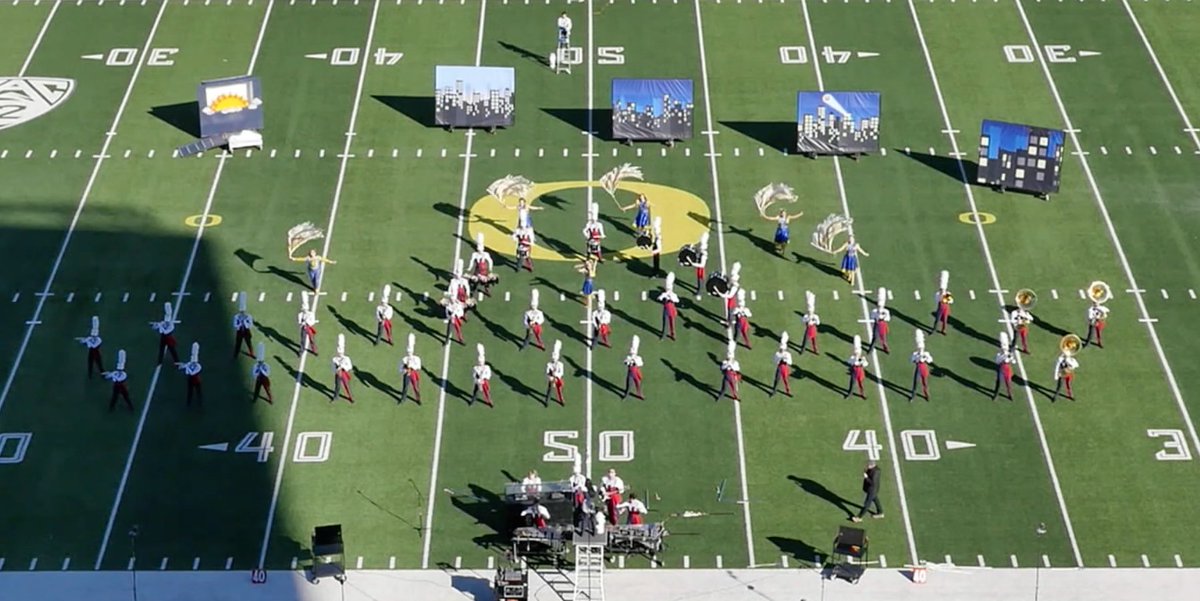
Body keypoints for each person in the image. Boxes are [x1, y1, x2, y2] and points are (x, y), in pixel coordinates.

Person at [910, 330, 933, 401]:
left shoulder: (926, 353)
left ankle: (926, 394)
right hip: (918, 368)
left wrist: (925, 357)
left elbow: (930, 360)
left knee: (925, 382)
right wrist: (916, 358)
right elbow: (911, 360)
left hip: (924, 368)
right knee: (915, 382)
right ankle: (913, 395)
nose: (920, 349)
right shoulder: (915, 354)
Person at [177, 342, 203, 406]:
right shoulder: (197, 366)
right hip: (196, 380)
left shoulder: (191, 366)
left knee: (191, 391)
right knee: (197, 391)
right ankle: (198, 400)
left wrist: (183, 366)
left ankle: (189, 402)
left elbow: (187, 368)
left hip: (191, 380)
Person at [992, 332, 1015, 400]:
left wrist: (1010, 358)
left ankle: (1010, 395)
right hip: (1001, 369)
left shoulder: (1008, 354)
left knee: (1008, 383)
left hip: (1008, 369)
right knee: (999, 383)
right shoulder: (999, 355)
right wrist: (1004, 357)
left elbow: (1013, 362)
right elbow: (997, 362)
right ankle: (996, 394)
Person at [399, 334, 422, 404]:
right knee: (405, 387)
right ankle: (403, 398)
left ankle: (418, 399)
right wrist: (405, 368)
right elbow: (400, 368)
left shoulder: (416, 358)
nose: (409, 354)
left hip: (413, 373)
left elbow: (418, 367)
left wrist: (412, 367)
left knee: (416, 387)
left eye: (410, 352)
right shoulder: (404, 359)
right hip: (407, 374)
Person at [331, 334, 354, 403]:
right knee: (337, 386)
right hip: (338, 374)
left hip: (344, 373)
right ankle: (335, 397)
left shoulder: (346, 358)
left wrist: (343, 367)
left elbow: (350, 366)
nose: (339, 354)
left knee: (347, 385)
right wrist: (337, 370)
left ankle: (351, 397)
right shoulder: (334, 359)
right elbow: (332, 367)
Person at [232, 292, 255, 359]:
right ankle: (235, 355)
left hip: (246, 331)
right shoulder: (236, 317)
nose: (242, 313)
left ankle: (251, 353)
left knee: (249, 343)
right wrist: (239, 324)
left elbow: (250, 325)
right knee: (238, 344)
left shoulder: (248, 317)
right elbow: (235, 325)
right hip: (239, 331)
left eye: (243, 312)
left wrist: (244, 322)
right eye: (241, 312)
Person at [868, 287, 890, 353]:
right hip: (877, 324)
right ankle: (871, 348)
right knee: (874, 337)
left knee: (883, 338)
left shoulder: (886, 311)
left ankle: (885, 347)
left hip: (882, 324)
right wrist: (876, 317)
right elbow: (872, 317)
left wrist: (883, 316)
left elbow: (888, 319)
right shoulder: (874, 311)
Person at [771, 332, 793, 397]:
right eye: (780, 349)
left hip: (785, 367)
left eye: (782, 349)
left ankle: (788, 391)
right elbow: (774, 361)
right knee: (777, 379)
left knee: (785, 380)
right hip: (780, 367)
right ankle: (774, 391)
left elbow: (790, 362)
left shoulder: (787, 354)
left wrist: (785, 360)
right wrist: (779, 359)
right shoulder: (777, 354)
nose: (781, 350)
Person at [658, 272, 679, 340]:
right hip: (666, 308)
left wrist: (671, 297)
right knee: (665, 321)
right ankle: (664, 334)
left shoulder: (673, 295)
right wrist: (663, 296)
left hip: (671, 308)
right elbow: (659, 298)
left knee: (672, 322)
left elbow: (677, 300)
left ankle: (673, 334)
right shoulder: (665, 294)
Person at [622, 336, 644, 400]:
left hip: (636, 373)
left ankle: (639, 394)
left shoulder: (638, 358)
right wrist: (629, 362)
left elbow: (641, 364)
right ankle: (626, 394)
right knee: (628, 385)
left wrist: (635, 361)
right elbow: (625, 362)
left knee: (638, 384)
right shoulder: (628, 358)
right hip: (630, 374)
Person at [931, 270, 953, 335]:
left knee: (945, 320)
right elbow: (936, 300)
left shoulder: (947, 294)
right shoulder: (938, 294)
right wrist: (941, 298)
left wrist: (946, 299)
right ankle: (934, 329)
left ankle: (943, 330)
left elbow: (951, 301)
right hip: (940, 307)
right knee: (937, 319)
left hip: (946, 308)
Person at [544, 340, 565, 406]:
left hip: (558, 379)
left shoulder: (560, 364)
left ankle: (561, 400)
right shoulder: (549, 364)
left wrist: (556, 375)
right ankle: (547, 401)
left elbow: (561, 373)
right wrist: (550, 378)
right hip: (551, 379)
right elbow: (547, 372)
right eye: (553, 359)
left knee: (559, 390)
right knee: (550, 389)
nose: (553, 360)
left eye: (554, 359)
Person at [298, 291, 319, 355]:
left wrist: (307, 322)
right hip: (303, 328)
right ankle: (301, 350)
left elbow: (312, 321)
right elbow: (299, 322)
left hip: (309, 327)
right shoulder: (300, 314)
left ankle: (314, 350)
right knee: (303, 340)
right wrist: (303, 322)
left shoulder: (310, 314)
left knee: (312, 339)